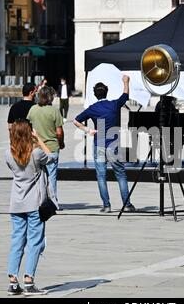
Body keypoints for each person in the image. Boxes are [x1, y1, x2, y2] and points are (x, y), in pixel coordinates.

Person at [74, 76, 136, 213]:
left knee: (101, 176)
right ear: (106, 92)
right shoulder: (114, 104)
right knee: (120, 174)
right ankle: (127, 204)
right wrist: (126, 82)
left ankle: (106, 205)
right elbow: (125, 95)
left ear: (95, 94)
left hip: (99, 144)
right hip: (113, 144)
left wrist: (88, 130)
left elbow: (76, 120)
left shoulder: (92, 108)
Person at [5, 119, 53, 296]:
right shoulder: (36, 154)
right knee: (35, 242)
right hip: (34, 204)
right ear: (28, 133)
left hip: (16, 203)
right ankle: (29, 281)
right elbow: (52, 157)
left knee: (17, 241)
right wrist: (38, 139)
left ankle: (12, 282)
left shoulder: (8, 154)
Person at [27, 86, 64, 201]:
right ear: (50, 97)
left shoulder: (33, 109)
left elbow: (29, 127)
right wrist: (61, 143)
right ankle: (52, 201)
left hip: (36, 148)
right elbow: (59, 132)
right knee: (51, 175)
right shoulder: (54, 111)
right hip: (51, 148)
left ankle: (38, 200)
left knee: (37, 175)